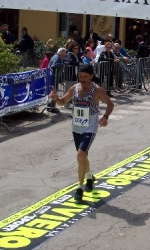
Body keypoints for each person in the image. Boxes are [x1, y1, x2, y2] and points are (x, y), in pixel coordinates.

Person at [48, 64, 114, 202]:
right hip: (76, 127)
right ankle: (89, 177)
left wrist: (105, 117)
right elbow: (63, 101)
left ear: (91, 76)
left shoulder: (97, 90)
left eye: (85, 76)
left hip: (90, 127)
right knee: (82, 157)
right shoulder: (74, 88)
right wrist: (55, 98)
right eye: (80, 76)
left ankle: (80, 188)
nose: (82, 79)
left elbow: (110, 104)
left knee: (80, 155)